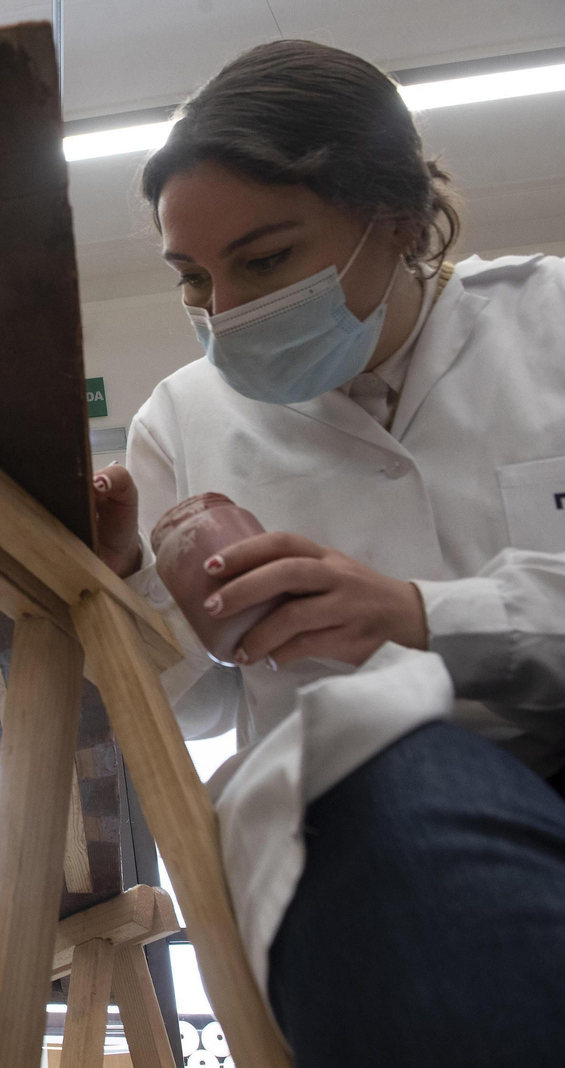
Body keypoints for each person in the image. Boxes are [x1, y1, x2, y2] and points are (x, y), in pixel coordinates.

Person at [93, 39, 565, 1065]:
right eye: (190, 278)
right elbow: (200, 703)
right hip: (377, 812)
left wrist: (422, 614)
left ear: (394, 218)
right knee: (409, 788)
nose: (223, 313)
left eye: (263, 261)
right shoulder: (180, 420)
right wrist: (119, 589)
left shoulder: (551, 324)